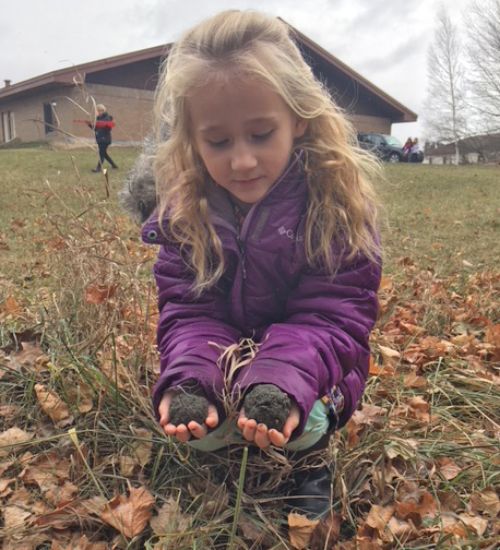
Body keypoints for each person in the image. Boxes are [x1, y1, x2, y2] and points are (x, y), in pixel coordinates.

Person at [138, 10, 382, 519]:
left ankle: (308, 463)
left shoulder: (333, 205)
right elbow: (186, 311)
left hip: (315, 366)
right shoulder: (187, 213)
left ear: (299, 117)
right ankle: (235, 443)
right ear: (190, 139)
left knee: (305, 421)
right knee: (196, 428)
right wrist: (194, 379)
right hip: (228, 359)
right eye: (219, 142)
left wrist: (278, 383)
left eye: (261, 134)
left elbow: (335, 317)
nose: (242, 161)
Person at [88, 104, 118, 172]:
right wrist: (90, 125)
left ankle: (98, 168)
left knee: (101, 154)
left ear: (101, 111)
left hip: (105, 139)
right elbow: (95, 129)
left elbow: (109, 128)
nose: (96, 113)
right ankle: (114, 165)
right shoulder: (98, 119)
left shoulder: (107, 118)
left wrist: (102, 124)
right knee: (104, 154)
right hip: (100, 139)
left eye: (97, 111)